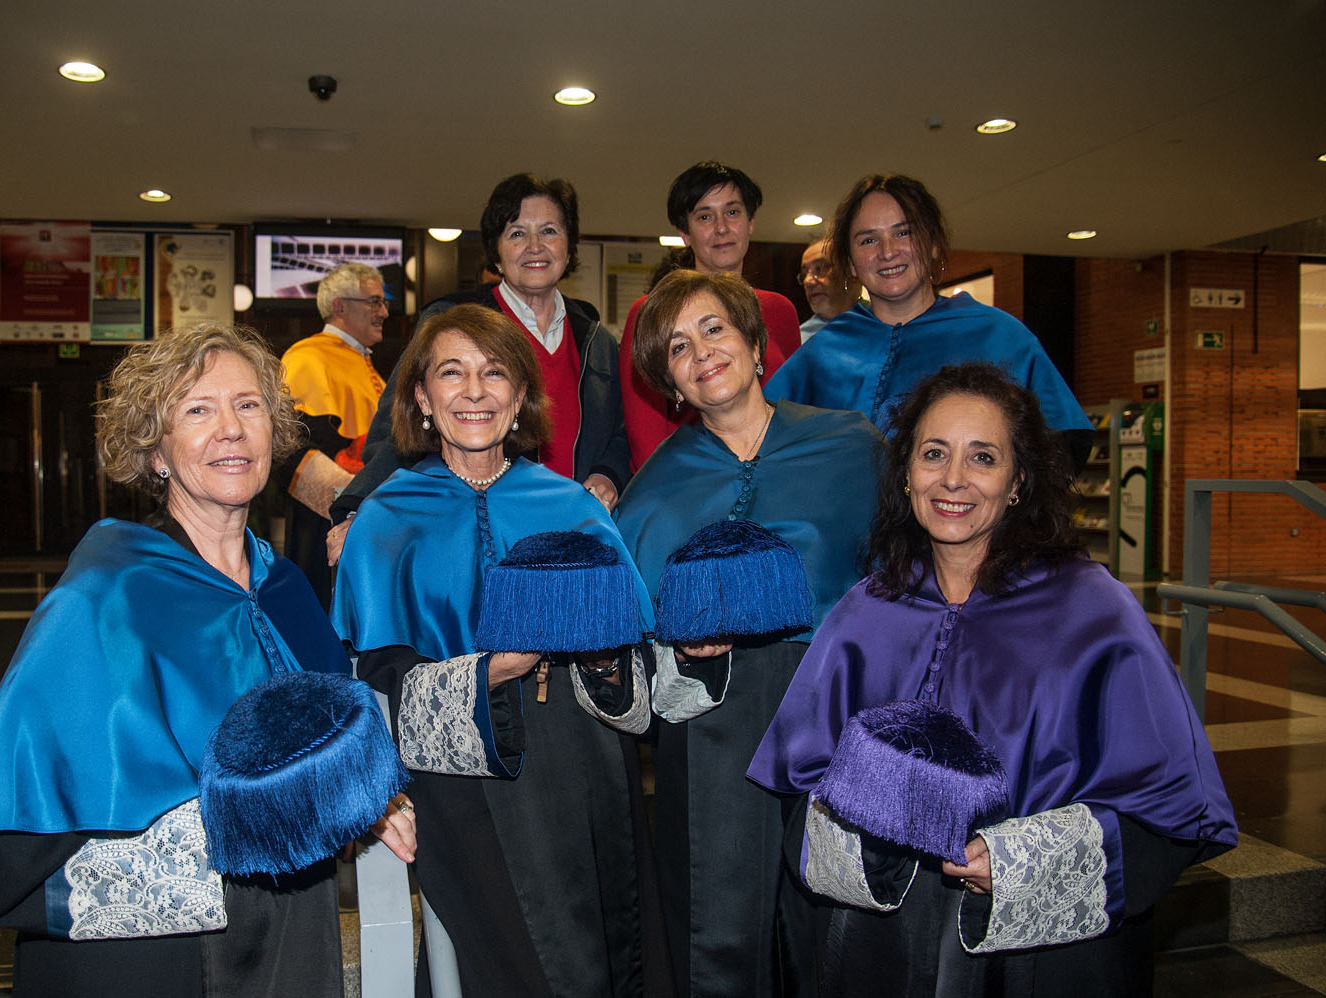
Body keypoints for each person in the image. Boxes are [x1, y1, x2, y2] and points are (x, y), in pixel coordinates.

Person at [0, 323, 416, 998]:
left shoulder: (284, 587)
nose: (232, 430)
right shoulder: (106, 596)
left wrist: (364, 796)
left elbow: (329, 747)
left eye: (248, 406)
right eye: (198, 410)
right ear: (156, 449)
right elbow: (28, 820)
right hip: (158, 953)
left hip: (287, 931)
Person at [749, 362, 1236, 997]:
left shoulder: (1095, 613)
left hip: (1038, 964)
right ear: (906, 473)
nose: (953, 479)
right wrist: (869, 838)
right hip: (882, 946)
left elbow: (1165, 813)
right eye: (933, 453)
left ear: (1017, 482)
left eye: (983, 457)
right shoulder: (865, 611)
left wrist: (1019, 863)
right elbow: (800, 793)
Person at [332, 304, 671, 997]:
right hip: (460, 783)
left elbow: (633, 662)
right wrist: (491, 671)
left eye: (494, 373)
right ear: (422, 398)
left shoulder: (573, 506)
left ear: (519, 398)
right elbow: (378, 679)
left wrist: (601, 658)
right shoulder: (386, 518)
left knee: (604, 952)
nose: (474, 391)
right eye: (451, 373)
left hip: (580, 768)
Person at [614, 269, 881, 997]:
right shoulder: (653, 491)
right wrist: (678, 648)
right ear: (669, 383)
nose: (701, 352)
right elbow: (633, 643)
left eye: (714, 329)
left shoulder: (852, 446)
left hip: (839, 709)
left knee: (834, 921)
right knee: (717, 929)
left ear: (757, 345)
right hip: (715, 728)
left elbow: (903, 580)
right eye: (677, 347)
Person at [328, 173, 630, 560]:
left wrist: (609, 474)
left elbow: (621, 431)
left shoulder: (596, 339)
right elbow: (397, 427)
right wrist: (360, 507)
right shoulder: (450, 324)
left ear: (569, 248)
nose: (535, 246)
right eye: (517, 233)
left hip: (574, 539)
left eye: (549, 231)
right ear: (496, 253)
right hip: (472, 541)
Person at [764, 174, 1092, 467]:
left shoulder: (998, 336)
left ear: (933, 244)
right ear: (850, 262)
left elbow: (1060, 448)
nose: (887, 251)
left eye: (903, 232)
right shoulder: (823, 352)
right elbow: (764, 443)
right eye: (868, 240)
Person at [620, 161, 804, 470]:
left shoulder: (780, 311)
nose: (721, 228)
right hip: (690, 483)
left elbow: (793, 409)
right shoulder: (649, 315)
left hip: (781, 475)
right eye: (705, 216)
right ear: (685, 233)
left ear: (750, 222)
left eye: (732, 212)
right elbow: (645, 441)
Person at [277, 262, 388, 602]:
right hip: (328, 524)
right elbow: (293, 450)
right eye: (374, 302)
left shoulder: (363, 362)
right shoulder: (308, 359)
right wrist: (356, 505)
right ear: (340, 306)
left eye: (383, 302)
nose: (384, 312)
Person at [796, 237, 859, 343]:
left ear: (851, 270)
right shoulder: (799, 342)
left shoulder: (882, 322)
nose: (808, 281)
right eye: (804, 274)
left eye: (820, 268)